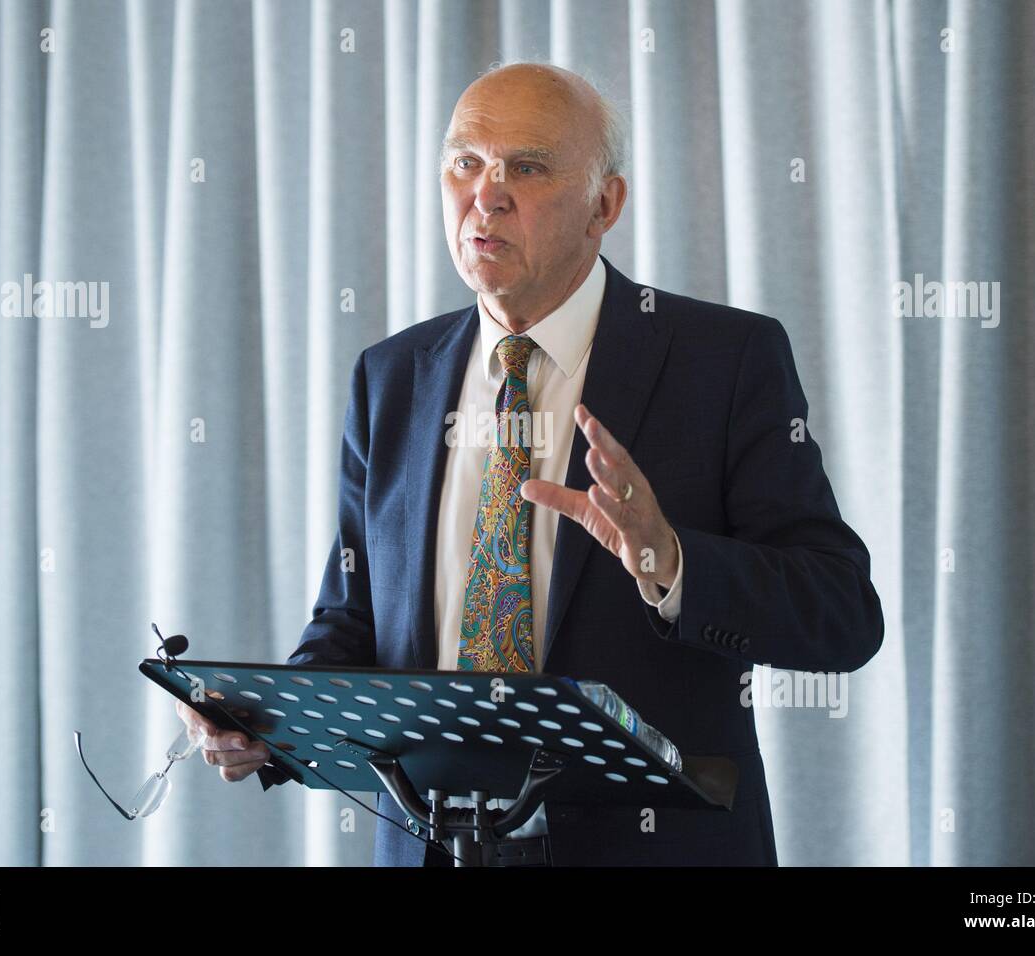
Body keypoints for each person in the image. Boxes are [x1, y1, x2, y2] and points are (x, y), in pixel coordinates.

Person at [177, 61, 884, 866]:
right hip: (427, 847)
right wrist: (269, 722)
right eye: (464, 163)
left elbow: (843, 614)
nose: (488, 193)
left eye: (529, 167)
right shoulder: (391, 378)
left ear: (604, 205)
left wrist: (671, 564)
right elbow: (353, 623)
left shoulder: (723, 361)